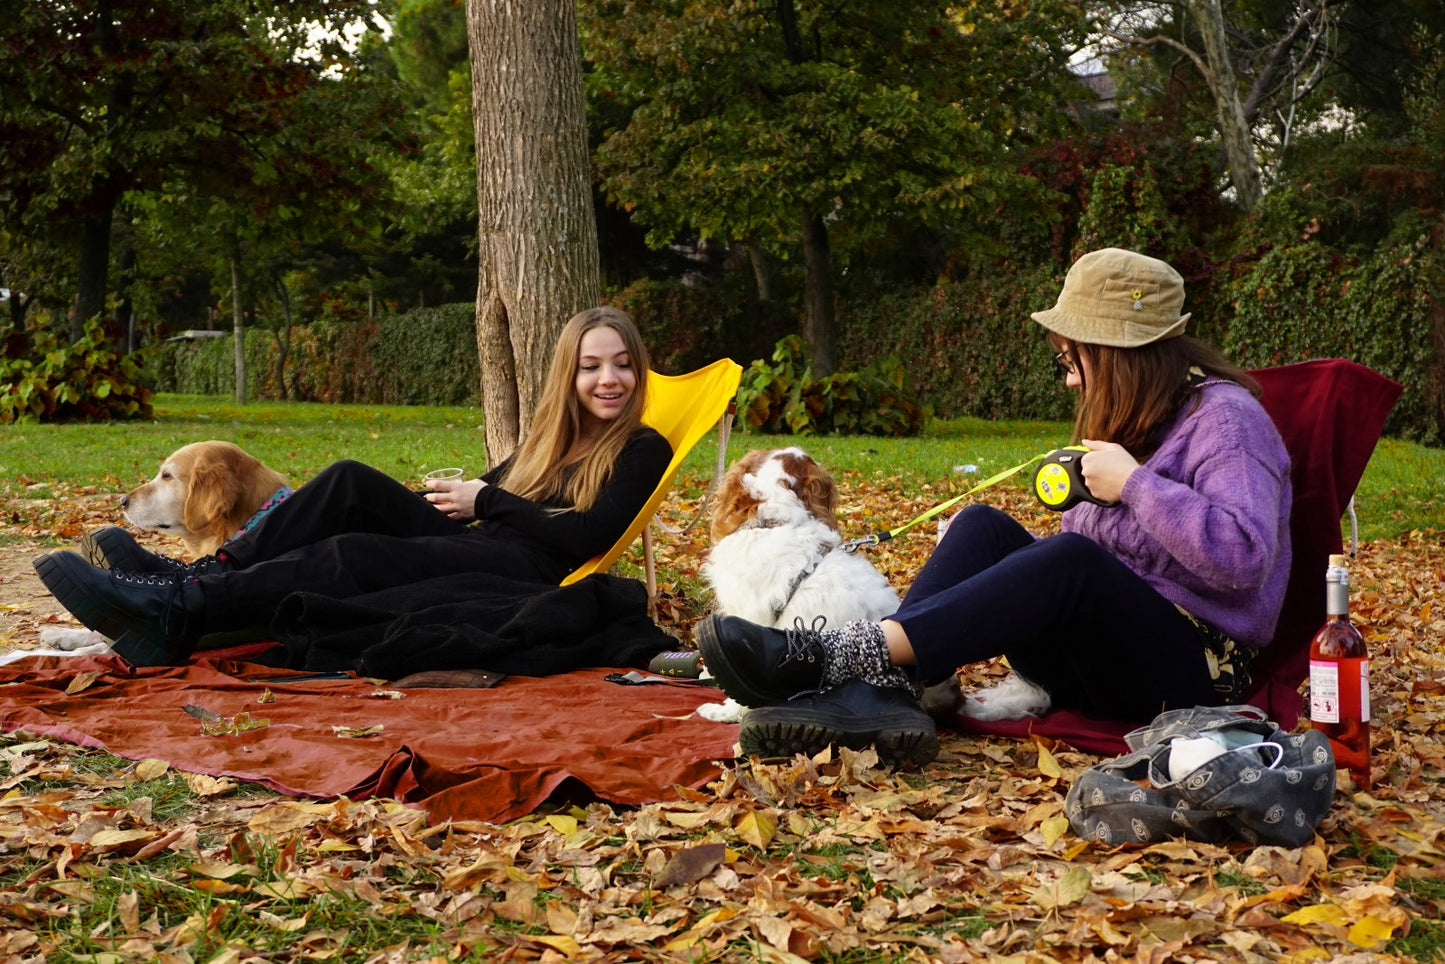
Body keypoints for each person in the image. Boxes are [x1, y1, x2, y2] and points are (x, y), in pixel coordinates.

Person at [697, 248, 1293, 766]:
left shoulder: (1227, 423)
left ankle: (841, 660)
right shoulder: (1141, 420)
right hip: (1103, 659)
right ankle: (884, 692)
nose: (1069, 382)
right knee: (982, 526)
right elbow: (1103, 563)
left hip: (1191, 673)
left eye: (1072, 361)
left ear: (1119, 355)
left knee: (1070, 559)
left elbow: (1244, 561)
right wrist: (1003, 568)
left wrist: (1136, 485)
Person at [34, 306, 673, 668]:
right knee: (348, 483)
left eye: (621, 364)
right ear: (569, 374)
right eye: (591, 366)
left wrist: (489, 501)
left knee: (350, 554)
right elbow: (487, 490)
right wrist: (455, 500)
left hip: (521, 565)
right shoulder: (551, 440)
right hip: (480, 537)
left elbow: (592, 533)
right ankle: (199, 577)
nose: (608, 379)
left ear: (636, 371)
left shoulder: (643, 447)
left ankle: (179, 609)